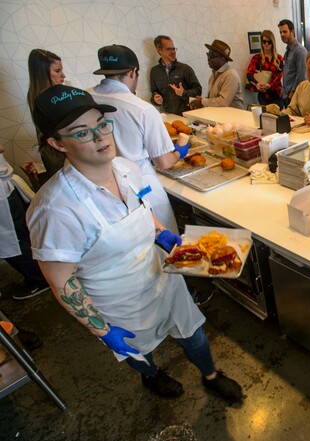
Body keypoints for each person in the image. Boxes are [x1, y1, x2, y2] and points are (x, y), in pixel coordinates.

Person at [27, 84, 243, 402]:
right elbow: (61, 283)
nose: (100, 137)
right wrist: (102, 329)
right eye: (82, 132)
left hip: (160, 275)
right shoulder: (54, 209)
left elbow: (142, 211)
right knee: (138, 352)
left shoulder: (126, 168)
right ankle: (152, 376)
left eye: (102, 124)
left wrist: (161, 234)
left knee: (193, 334)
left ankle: (210, 374)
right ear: (57, 143)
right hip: (119, 304)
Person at [88, 44, 189, 232]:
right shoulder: (142, 109)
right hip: (140, 185)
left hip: (101, 187)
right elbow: (164, 163)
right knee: (164, 247)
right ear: (134, 72)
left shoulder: (87, 97)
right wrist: (178, 153)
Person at [0, 143, 50, 302]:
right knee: (21, 237)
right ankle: (42, 275)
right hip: (5, 191)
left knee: (15, 241)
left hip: (3, 193)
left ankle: (40, 279)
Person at [27, 49, 66, 179]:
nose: (63, 76)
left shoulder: (34, 95)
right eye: (57, 71)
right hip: (59, 155)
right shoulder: (51, 99)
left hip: (52, 153)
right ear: (43, 74)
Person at [149, 35, 202, 116]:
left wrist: (184, 93)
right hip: (167, 115)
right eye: (169, 49)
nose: (173, 51)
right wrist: (155, 99)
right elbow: (154, 92)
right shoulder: (154, 71)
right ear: (159, 50)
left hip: (187, 115)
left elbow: (198, 90)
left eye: (173, 48)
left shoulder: (185, 69)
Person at [189, 39, 245, 110]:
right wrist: (200, 101)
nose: (208, 59)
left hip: (234, 119)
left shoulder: (230, 75)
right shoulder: (213, 76)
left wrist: (202, 101)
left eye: (212, 56)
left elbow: (223, 102)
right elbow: (213, 99)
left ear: (223, 59)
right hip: (219, 117)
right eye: (208, 54)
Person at [246, 30, 284, 107]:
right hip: (263, 94)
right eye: (264, 41)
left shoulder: (278, 58)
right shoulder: (257, 58)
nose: (266, 44)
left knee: (278, 116)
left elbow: (280, 74)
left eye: (269, 42)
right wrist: (257, 84)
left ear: (272, 42)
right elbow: (249, 74)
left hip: (276, 93)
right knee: (266, 116)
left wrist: (270, 85)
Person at [278, 19, 307, 105]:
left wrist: (291, 95)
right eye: (280, 32)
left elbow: (301, 76)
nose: (282, 34)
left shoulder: (300, 51)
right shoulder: (288, 51)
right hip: (286, 95)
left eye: (284, 31)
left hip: (294, 97)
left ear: (292, 31)